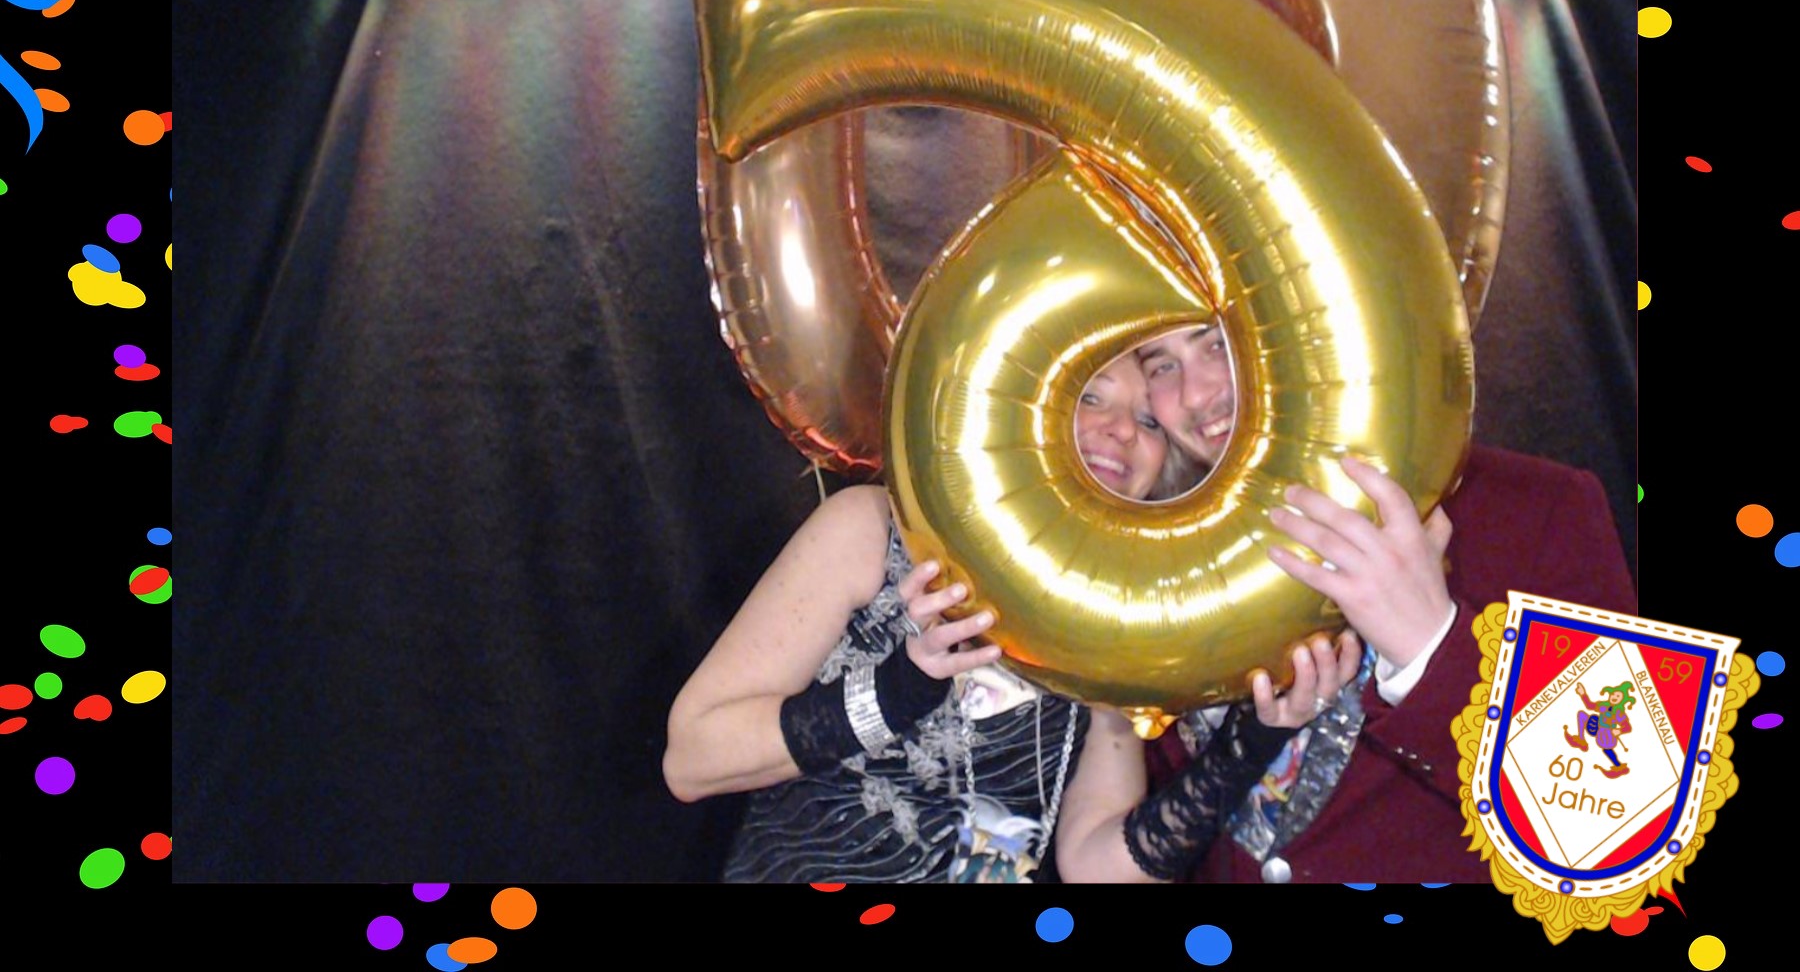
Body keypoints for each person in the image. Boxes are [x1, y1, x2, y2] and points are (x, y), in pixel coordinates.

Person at [663, 351, 1358, 882]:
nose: (1121, 430)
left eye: (1149, 421)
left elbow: (1096, 869)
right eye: (1090, 397)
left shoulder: (1119, 626)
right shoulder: (875, 531)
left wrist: (1249, 744)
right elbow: (692, 759)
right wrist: (896, 690)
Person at [1136, 324, 1638, 883]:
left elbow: (1627, 819)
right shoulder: (1149, 562)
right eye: (1161, 365)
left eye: (1219, 343)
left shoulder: (1540, 505)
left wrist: (1432, 643)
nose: (1196, 394)